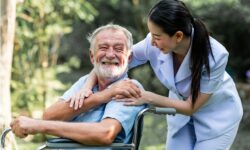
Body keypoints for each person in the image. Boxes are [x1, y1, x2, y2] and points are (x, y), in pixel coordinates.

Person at [70, 0, 243, 150]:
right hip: (180, 113)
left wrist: (145, 97)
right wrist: (86, 87)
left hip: (216, 115)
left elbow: (192, 107)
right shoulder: (152, 43)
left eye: (157, 36)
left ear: (178, 36)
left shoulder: (215, 56)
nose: (152, 41)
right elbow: (113, 61)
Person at [10, 24, 146, 145]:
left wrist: (39, 126)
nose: (110, 54)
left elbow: (105, 134)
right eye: (103, 48)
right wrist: (102, 96)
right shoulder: (85, 82)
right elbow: (50, 116)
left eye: (118, 49)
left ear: (128, 58)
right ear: (92, 56)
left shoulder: (129, 87)